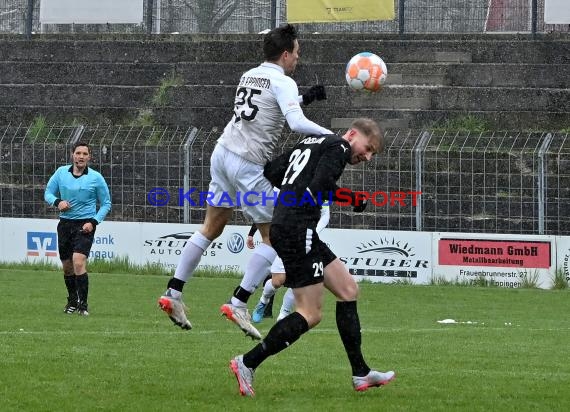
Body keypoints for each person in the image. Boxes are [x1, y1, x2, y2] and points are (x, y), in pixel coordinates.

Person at [157, 24, 332, 338]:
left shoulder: (250, 74)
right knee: (274, 237)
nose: (297, 60)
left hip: (223, 152)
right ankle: (238, 301)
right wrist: (333, 138)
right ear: (285, 53)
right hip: (247, 165)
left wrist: (303, 98)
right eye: (296, 53)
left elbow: (263, 108)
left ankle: (174, 291)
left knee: (211, 226)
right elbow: (294, 122)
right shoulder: (284, 81)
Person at [230, 118, 395, 396]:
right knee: (310, 313)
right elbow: (320, 186)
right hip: (297, 229)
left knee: (348, 290)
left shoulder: (310, 141)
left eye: (372, 154)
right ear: (353, 134)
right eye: (368, 149)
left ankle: (361, 373)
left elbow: (272, 171)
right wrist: (352, 198)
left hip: (295, 227)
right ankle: (246, 362)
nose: (367, 157)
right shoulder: (340, 147)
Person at [44, 142, 111, 316]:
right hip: (65, 224)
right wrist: (58, 202)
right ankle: (72, 301)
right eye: (78, 153)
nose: (81, 157)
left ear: (89, 157)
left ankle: (84, 305)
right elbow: (48, 193)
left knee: (78, 261)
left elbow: (106, 203)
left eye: (84, 154)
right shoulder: (60, 173)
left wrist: (94, 222)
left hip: (85, 224)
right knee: (67, 266)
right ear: (72, 155)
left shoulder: (96, 178)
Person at [249, 203, 330, 323]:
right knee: (277, 281)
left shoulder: (318, 189)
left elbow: (325, 214)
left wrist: (314, 232)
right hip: (286, 240)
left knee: (298, 281)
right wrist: (251, 233)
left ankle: (283, 314)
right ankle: (263, 301)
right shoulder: (288, 189)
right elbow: (267, 211)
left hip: (306, 243)